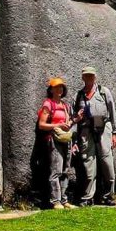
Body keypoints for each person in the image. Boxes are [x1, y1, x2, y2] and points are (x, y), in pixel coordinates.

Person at [72, 66, 116, 206]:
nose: (89, 78)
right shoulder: (78, 95)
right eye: (86, 76)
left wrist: (115, 133)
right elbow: (74, 119)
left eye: (91, 75)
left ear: (95, 77)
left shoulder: (104, 92)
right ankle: (88, 197)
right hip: (86, 131)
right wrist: (74, 140)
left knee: (107, 163)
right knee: (88, 165)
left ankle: (108, 196)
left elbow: (112, 112)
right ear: (83, 77)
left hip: (104, 129)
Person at [37, 77, 76, 210]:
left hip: (66, 139)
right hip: (54, 140)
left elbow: (69, 123)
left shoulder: (65, 106)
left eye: (61, 87)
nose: (59, 89)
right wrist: (58, 124)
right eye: (56, 87)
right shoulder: (48, 104)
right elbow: (41, 125)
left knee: (65, 170)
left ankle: (64, 200)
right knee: (56, 170)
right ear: (51, 89)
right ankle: (55, 201)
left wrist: (74, 121)